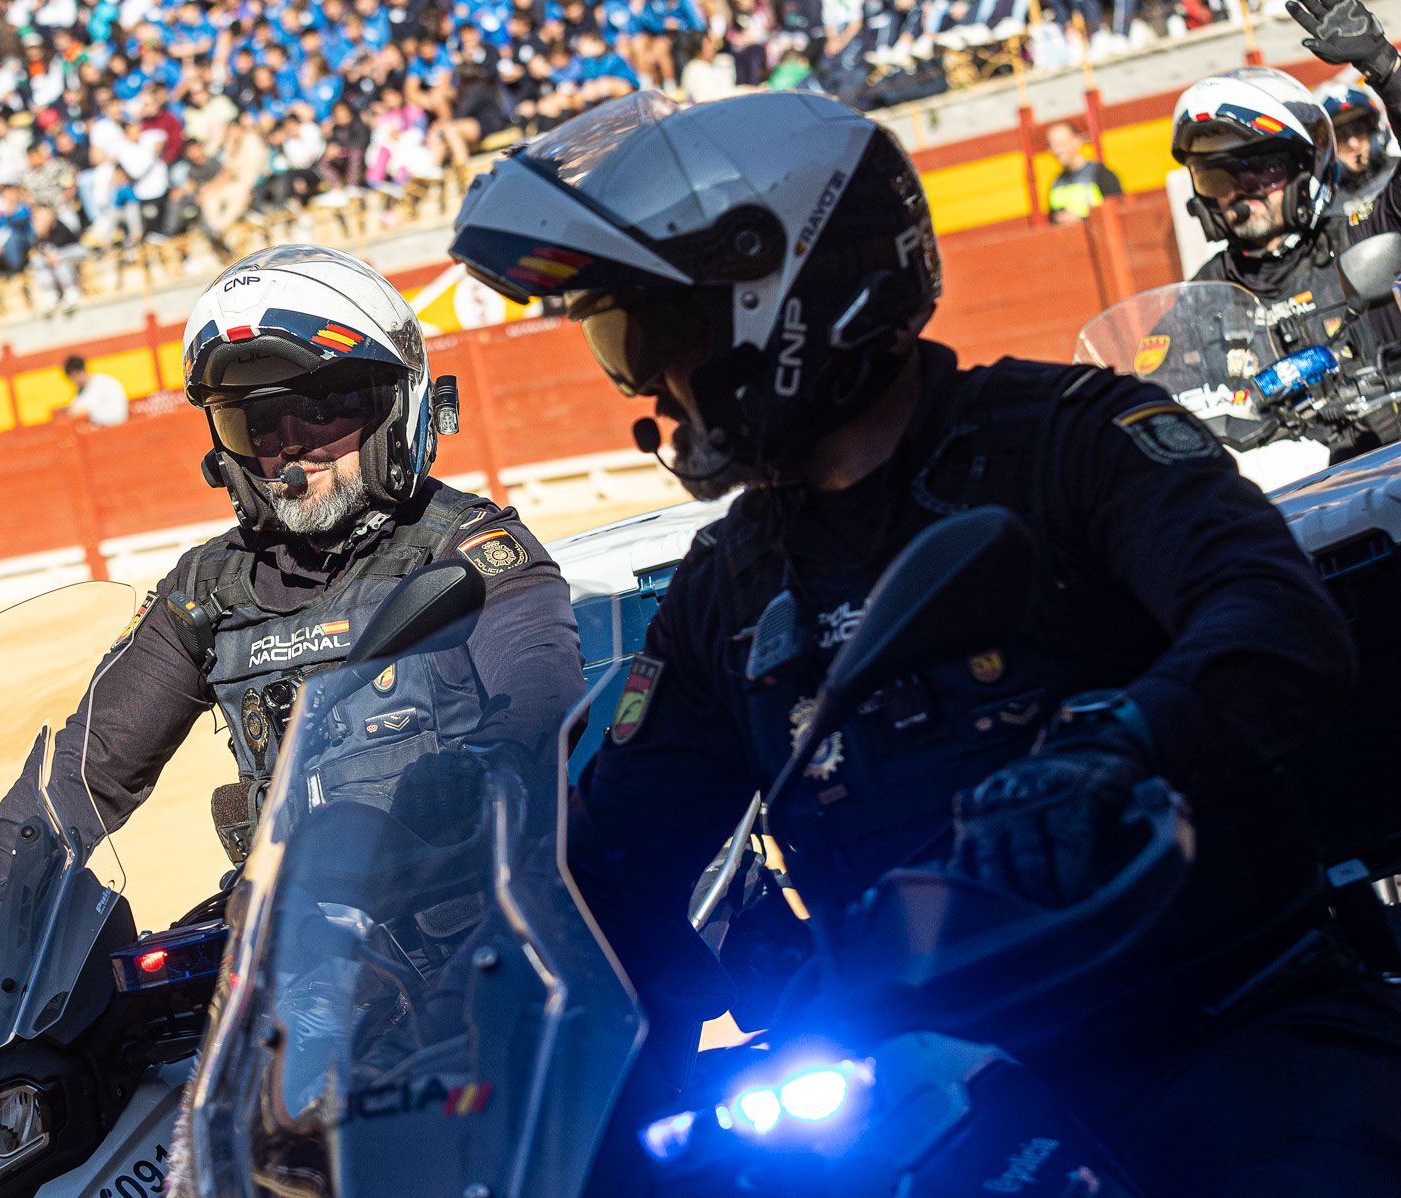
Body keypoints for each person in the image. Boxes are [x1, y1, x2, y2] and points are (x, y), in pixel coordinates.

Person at [449, 89, 1401, 1195]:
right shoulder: (727, 584)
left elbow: (1277, 623)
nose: (648, 386)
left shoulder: (1074, 440)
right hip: (928, 1095)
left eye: (655, 337)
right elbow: (619, 857)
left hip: (1216, 1026)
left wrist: (1118, 746)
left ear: (793, 302)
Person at [0, 246, 586, 868]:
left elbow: (540, 701)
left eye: (322, 409)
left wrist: (477, 786)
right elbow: (86, 769)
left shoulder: (469, 550)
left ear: (394, 408)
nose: (291, 442)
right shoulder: (206, 589)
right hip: (289, 938)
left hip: (474, 916)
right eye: (256, 421)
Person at [1176, 0, 1401, 360]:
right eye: (1217, 177)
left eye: (1262, 171)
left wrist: (1385, 68)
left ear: (1303, 171)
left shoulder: (1357, 234)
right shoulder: (1203, 294)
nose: (1242, 189)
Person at [1316, 73, 1397, 226]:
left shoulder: (1397, 176)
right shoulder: (1321, 204)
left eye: (1359, 128)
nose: (1353, 143)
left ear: (1374, 130)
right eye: (1340, 134)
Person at [1045, 121, 1123, 224]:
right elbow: (1054, 220)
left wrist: (1082, 221)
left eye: (1061, 144)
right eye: (1052, 145)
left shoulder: (1101, 174)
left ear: (1077, 142)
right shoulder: (1056, 183)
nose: (1057, 150)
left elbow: (1118, 215)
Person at [62, 353, 130, 427]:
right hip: (101, 426)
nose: (73, 382)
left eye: (72, 378)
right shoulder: (82, 389)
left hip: (113, 426)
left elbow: (82, 412)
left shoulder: (102, 383)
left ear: (75, 373)